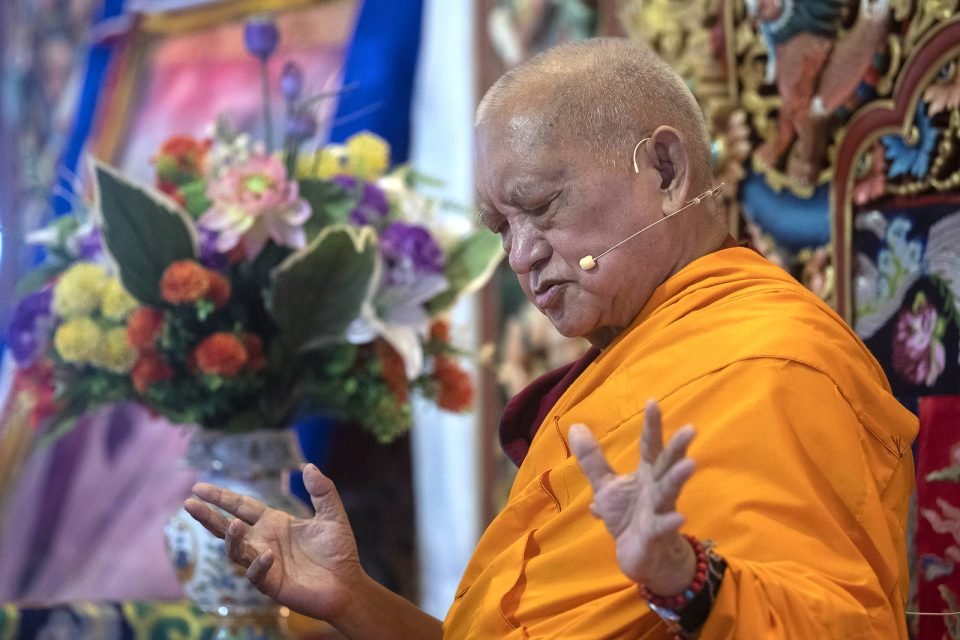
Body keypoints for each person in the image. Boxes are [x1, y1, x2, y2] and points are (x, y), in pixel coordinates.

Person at [185, 37, 917, 638]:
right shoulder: (620, 372)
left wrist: (687, 580)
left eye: (540, 207)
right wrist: (353, 600)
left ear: (665, 170)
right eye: (502, 227)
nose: (520, 255)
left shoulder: (775, 361)